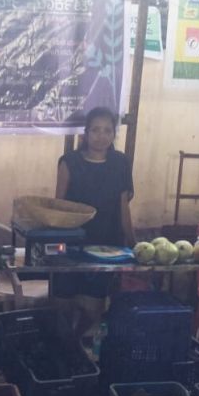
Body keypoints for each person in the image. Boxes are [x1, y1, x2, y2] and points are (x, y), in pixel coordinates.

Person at [52, 106, 135, 339]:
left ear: (114, 134)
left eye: (108, 131)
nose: (101, 136)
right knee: (63, 304)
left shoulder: (120, 163)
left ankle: (77, 346)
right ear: (86, 133)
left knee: (92, 309)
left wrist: (133, 243)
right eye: (96, 130)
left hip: (107, 246)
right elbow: (59, 205)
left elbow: (123, 207)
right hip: (71, 244)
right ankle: (63, 348)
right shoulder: (69, 162)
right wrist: (54, 245)